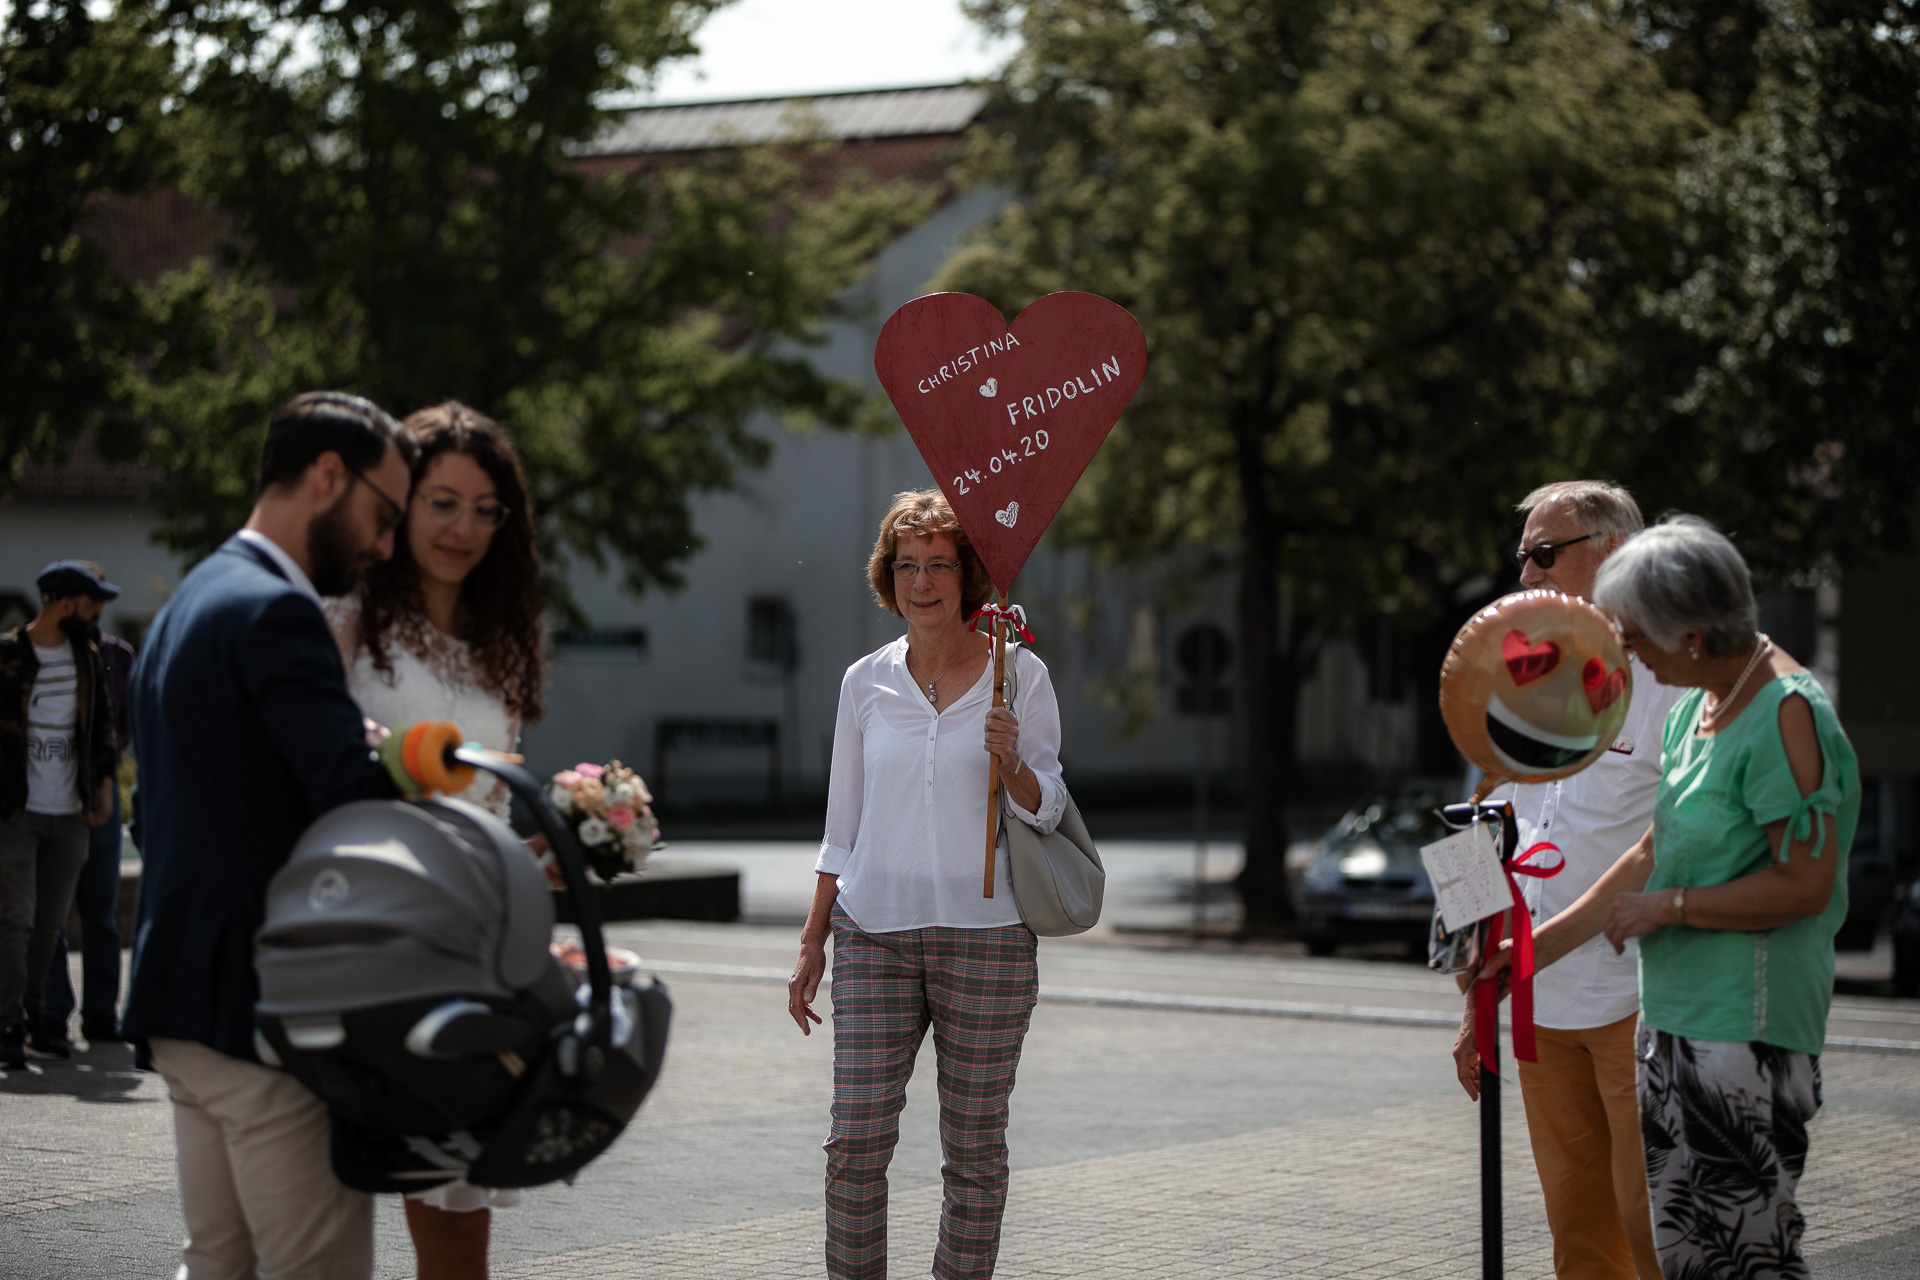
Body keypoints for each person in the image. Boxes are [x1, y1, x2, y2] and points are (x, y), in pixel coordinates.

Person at [1482, 515, 1859, 1279]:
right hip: (1674, 1021)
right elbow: (1649, 850)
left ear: (1689, 631)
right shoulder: (1699, 702)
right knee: (1685, 1255)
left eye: (1635, 633)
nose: (1625, 650)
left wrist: (1668, 908)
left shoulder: (1787, 711)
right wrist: (1532, 950)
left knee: (1743, 1259)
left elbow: (1806, 883)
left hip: (1746, 1028)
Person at [124, 390, 416, 1280]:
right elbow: (352, 805)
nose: (384, 545)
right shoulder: (277, 613)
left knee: (217, 1262)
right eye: (384, 513)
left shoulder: (189, 602)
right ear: (328, 476)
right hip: (265, 1011)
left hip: (179, 999)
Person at [787, 488, 1066, 1280]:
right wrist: (813, 942)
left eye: (939, 564)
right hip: (873, 931)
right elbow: (842, 824)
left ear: (968, 575)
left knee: (973, 1151)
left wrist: (1010, 759)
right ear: (888, 577)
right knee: (855, 1141)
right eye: (907, 565)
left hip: (990, 941)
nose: (922, 582)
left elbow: (1049, 809)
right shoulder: (863, 682)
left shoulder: (1022, 677)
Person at [327, 401, 544, 1280]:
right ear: (401, 502)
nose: (463, 528)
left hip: (475, 953)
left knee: (458, 1231)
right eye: (442, 501)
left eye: (484, 509)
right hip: (358, 941)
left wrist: (547, 856)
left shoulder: (499, 647)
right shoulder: (343, 623)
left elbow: (492, 800)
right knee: (319, 1227)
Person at [1450, 481, 1680, 1280]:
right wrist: (1470, 996)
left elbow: (1672, 841)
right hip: (1539, 1010)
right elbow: (1472, 830)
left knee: (1656, 1233)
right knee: (1580, 1243)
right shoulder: (1513, 677)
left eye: (1544, 554)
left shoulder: (1666, 679)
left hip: (1640, 1004)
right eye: (1521, 557)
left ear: (1613, 553)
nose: (1525, 576)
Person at [0, 561, 120, 1067]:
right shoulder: (8, 655)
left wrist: (106, 787)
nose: (97, 612)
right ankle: (6, 1023)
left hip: (69, 811)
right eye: (92, 602)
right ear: (63, 602)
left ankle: (34, 1018)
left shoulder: (87, 656)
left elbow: (102, 728)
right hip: (15, 811)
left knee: (49, 926)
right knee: (14, 918)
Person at [44, 560, 138, 1048]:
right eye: (94, 596)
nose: (101, 606)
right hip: (49, 800)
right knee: (51, 915)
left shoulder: (119, 655)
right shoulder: (38, 653)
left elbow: (126, 723)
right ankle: (52, 1011)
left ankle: (101, 1011)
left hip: (99, 795)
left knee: (100, 915)